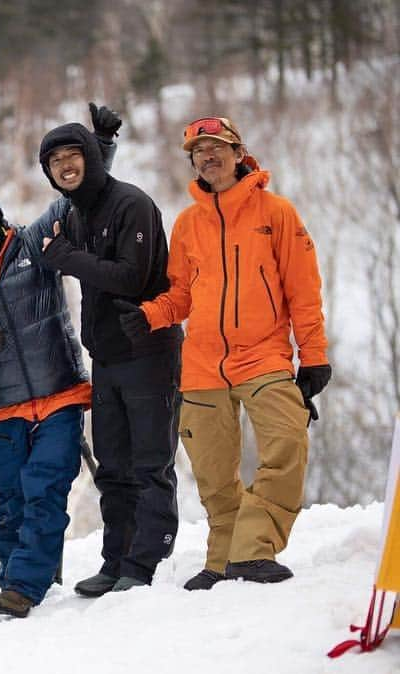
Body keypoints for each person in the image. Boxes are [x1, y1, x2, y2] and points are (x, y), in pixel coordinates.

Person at [117, 116, 330, 590]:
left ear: (238, 153)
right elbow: (181, 296)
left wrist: (312, 355)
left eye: (217, 147)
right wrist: (149, 315)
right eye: (198, 151)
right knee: (213, 474)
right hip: (202, 364)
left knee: (287, 443)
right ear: (192, 162)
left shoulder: (276, 213)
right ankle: (223, 560)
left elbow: (303, 289)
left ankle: (253, 551)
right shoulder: (189, 222)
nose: (207, 156)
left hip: (265, 356)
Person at [0, 107, 119, 619]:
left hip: (59, 393)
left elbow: (72, 197)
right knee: (10, 505)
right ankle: (21, 573)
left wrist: (99, 144)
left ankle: (24, 585)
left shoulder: (31, 247)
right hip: (4, 407)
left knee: (44, 491)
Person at [36, 120, 183, 596]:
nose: (64, 166)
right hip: (107, 355)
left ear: (91, 159)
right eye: (55, 162)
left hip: (149, 352)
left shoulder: (132, 204)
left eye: (72, 156)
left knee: (149, 463)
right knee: (112, 465)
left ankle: (144, 560)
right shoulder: (76, 215)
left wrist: (64, 256)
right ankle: (116, 559)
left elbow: (130, 277)